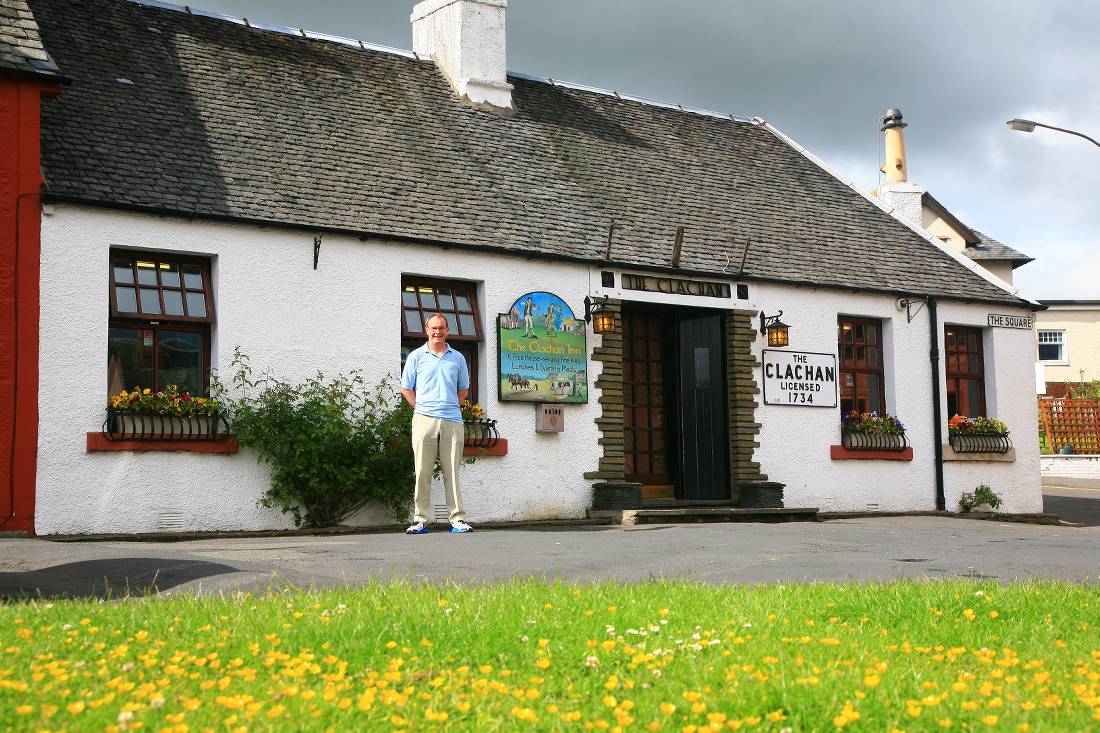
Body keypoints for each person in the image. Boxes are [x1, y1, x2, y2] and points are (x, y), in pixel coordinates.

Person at [400, 313, 473, 534]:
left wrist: (450, 406)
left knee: (452, 471)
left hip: (452, 420)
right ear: (426, 330)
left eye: (441, 328)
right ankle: (420, 519)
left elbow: (463, 390)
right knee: (422, 470)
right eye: (433, 328)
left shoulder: (457, 358)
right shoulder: (416, 356)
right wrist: (421, 409)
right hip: (424, 420)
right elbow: (406, 388)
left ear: (447, 331)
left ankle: (457, 519)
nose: (437, 332)